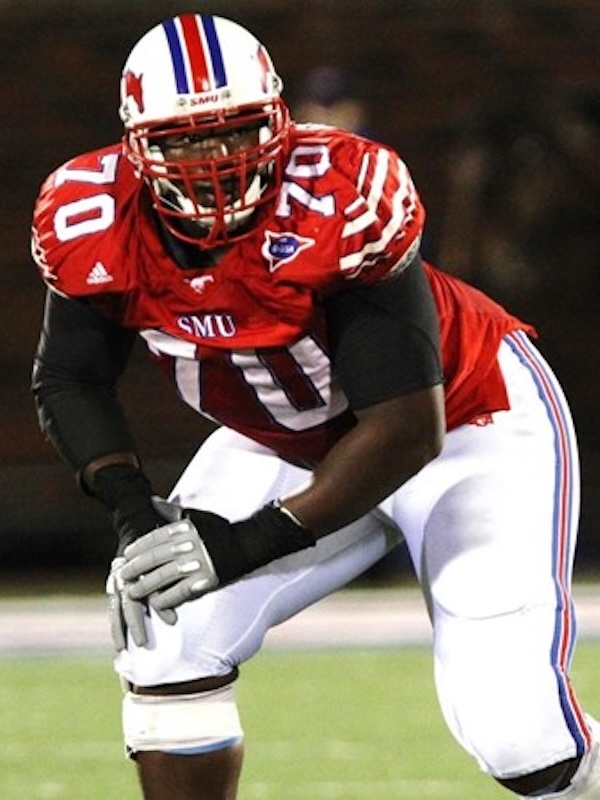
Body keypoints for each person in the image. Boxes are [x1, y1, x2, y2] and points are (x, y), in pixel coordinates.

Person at [30, 12, 599, 800]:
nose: (212, 163)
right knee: (167, 630)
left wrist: (234, 547)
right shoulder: (91, 215)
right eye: (184, 141)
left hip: (466, 423)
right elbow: (70, 378)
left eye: (231, 134)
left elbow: (404, 429)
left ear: (278, 121)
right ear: (134, 146)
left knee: (522, 740)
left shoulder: (343, 192)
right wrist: (136, 516)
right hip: (286, 438)